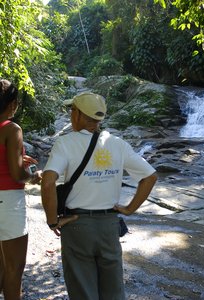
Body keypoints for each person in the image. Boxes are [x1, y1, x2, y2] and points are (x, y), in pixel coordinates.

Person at [41, 92, 157, 300]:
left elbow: (48, 182)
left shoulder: (65, 143)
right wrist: (130, 209)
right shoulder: (117, 143)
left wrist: (52, 221)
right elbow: (150, 176)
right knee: (113, 292)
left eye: (72, 111)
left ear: (77, 114)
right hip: (109, 225)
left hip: (77, 225)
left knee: (83, 291)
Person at [0, 79, 42, 299]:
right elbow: (17, 175)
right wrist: (34, 177)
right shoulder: (11, 129)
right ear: (11, 103)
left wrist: (15, 158)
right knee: (14, 268)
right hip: (7, 203)